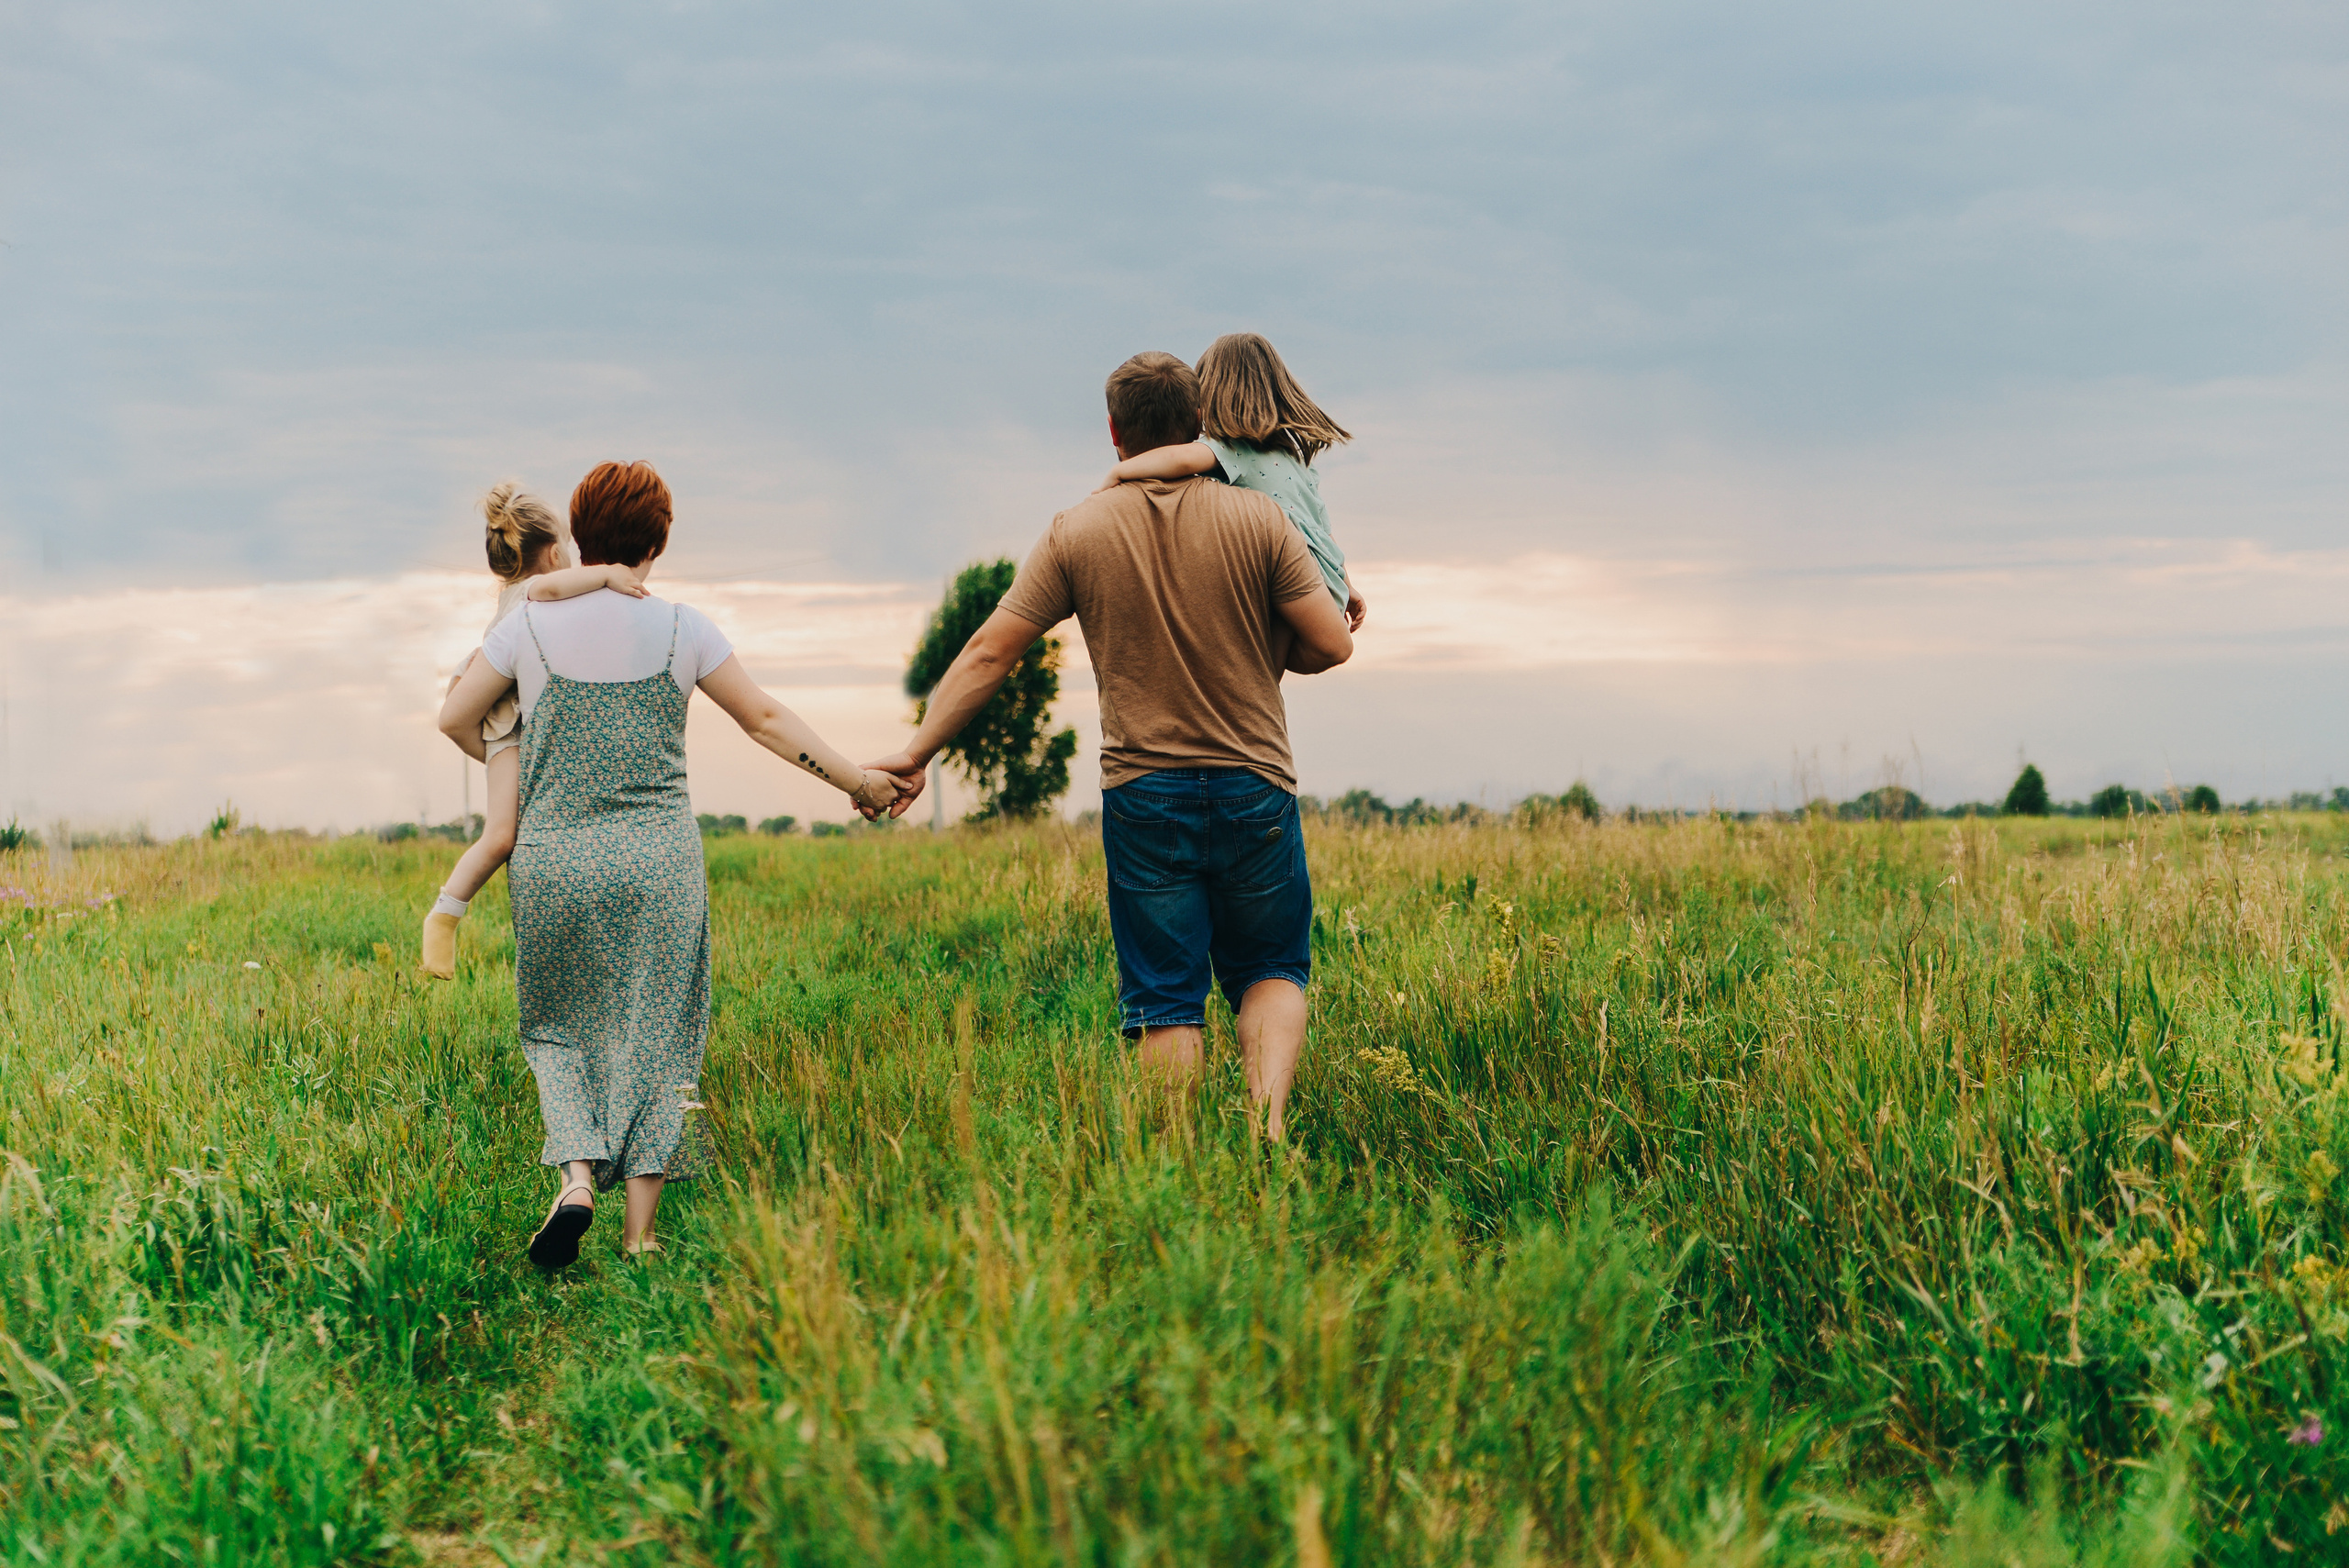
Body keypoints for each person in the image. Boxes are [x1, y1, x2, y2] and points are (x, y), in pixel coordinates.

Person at [866, 352, 1353, 1140]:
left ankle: (1179, 1167)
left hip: (1144, 792)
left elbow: (991, 651)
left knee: (1165, 997)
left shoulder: (1079, 529)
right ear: (1201, 424)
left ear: (1114, 433)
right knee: (1270, 968)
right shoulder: (1263, 520)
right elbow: (1331, 645)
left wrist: (917, 751)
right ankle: (1265, 1137)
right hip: (1256, 782)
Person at [439, 461, 902, 1266]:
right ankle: (641, 1237)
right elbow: (762, 717)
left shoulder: (528, 628)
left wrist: (507, 752)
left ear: (579, 538)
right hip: (660, 865)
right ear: (659, 539)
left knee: (557, 1032)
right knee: (660, 1041)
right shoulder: (686, 628)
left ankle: (577, 1176)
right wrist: (858, 779)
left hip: (554, 865)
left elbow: (456, 714)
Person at [420, 483, 650, 980]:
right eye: (567, 550)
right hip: (510, 728)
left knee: (504, 834)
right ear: (551, 553)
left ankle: (447, 912)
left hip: (506, 731)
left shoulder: (509, 599)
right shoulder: (534, 594)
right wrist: (608, 574)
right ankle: (445, 914)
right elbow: (549, 589)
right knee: (501, 837)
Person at [1093, 332, 1365, 632]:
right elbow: (1322, 528)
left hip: (1292, 583)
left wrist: (1121, 472)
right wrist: (1345, 585)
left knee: (1253, 657)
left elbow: (1177, 459)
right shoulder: (1294, 456)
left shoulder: (1233, 450)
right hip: (1325, 587)